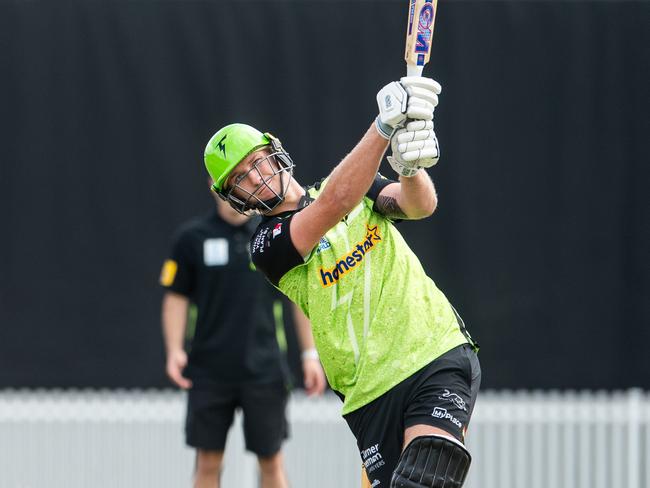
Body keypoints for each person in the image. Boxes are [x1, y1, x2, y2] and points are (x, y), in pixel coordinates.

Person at [202, 76, 481, 488]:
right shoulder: (266, 246)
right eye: (240, 178)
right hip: (369, 394)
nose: (256, 177)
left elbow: (420, 205)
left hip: (432, 351)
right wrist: (383, 126)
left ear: (275, 152)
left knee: (425, 479)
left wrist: (409, 169)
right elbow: (334, 203)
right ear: (232, 197)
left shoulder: (361, 184)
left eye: (256, 161)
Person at [160, 188, 326, 488]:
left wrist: (310, 354)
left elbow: (297, 297)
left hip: (264, 370)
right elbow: (176, 297)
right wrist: (174, 350)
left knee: (272, 461)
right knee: (207, 462)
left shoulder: (273, 234)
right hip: (208, 370)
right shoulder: (191, 238)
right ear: (212, 181)